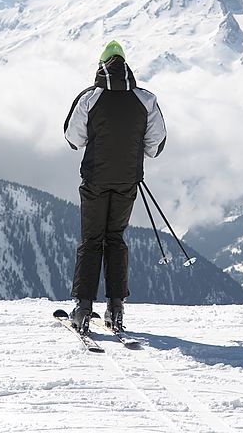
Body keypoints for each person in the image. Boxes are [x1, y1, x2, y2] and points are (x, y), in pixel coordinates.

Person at [64, 40, 166, 333]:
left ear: (101, 66)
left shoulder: (90, 98)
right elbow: (155, 145)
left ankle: (83, 309)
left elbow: (74, 139)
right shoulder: (146, 99)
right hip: (127, 182)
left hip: (95, 180)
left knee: (91, 240)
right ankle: (116, 309)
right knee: (116, 239)